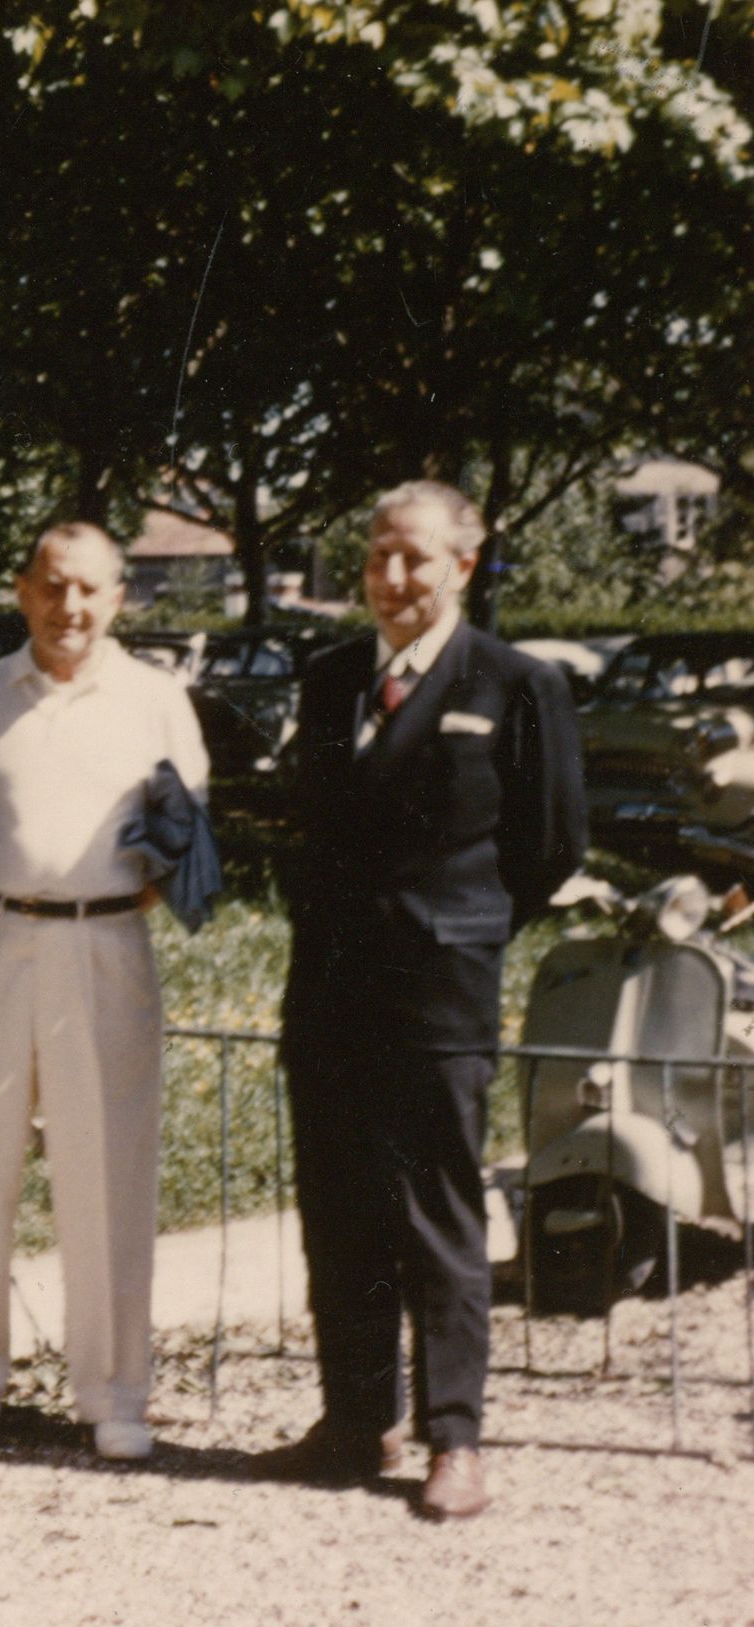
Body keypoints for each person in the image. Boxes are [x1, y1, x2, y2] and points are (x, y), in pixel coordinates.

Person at [261, 480, 584, 1520]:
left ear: (463, 562)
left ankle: (454, 1434)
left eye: (414, 558)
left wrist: (465, 925)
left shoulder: (514, 682)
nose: (392, 579)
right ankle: (357, 1418)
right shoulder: (329, 679)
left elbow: (550, 843)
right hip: (330, 989)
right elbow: (307, 826)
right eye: (376, 558)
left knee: (437, 1210)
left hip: (438, 988)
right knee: (339, 1206)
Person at [0, 522, 205, 1465]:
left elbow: (186, 840)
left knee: (111, 1172)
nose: (68, 607)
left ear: (120, 597)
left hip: (106, 944)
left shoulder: (159, 701)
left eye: (88, 589)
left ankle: (115, 1392)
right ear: (22, 588)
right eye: (50, 585)